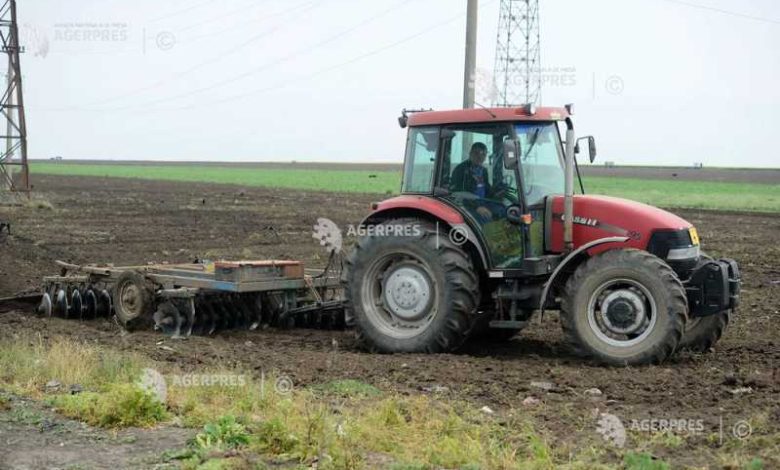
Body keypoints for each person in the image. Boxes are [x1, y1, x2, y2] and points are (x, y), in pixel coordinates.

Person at [450, 142, 500, 221]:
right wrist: (477, 207)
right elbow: (458, 194)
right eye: (476, 153)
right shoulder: (461, 170)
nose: (480, 157)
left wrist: (496, 193)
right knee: (485, 219)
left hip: (483, 202)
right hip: (468, 205)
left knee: (503, 210)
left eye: (483, 154)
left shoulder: (483, 171)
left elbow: (486, 189)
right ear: (470, 153)